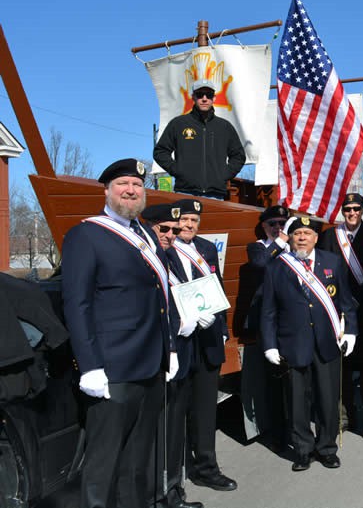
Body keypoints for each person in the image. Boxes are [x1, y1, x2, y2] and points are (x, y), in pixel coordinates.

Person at [62, 158, 177, 508]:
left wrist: (168, 347)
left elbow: (161, 296)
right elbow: (77, 305)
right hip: (112, 369)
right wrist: (90, 364)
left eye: (137, 186)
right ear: (107, 191)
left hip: (151, 365)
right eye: (123, 184)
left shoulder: (145, 234)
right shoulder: (86, 234)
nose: (131, 190)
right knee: (104, 464)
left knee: (137, 463)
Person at [260, 216, 356, 471]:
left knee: (327, 399)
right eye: (297, 233)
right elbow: (268, 310)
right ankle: (303, 450)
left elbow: (347, 301)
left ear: (315, 238)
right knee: (297, 402)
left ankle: (327, 448)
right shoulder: (277, 266)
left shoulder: (333, 262)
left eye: (307, 233)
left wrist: (351, 332)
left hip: (327, 342)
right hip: (293, 343)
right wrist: (270, 344)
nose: (302, 237)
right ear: (290, 238)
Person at [170, 199, 236, 493]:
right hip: (180, 340)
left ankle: (207, 467)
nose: (189, 226)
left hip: (207, 340)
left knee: (206, 409)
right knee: (176, 408)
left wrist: (222, 329)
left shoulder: (207, 249)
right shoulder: (164, 248)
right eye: (185, 220)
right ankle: (175, 470)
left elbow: (217, 287)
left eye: (194, 221)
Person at [141, 202, 202, 508]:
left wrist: (201, 313)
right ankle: (155, 496)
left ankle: (174, 492)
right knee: (157, 432)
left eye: (176, 230)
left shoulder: (172, 258)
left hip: (182, 351)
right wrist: (178, 326)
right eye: (164, 229)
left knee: (175, 426)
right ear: (148, 226)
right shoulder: (142, 258)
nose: (171, 235)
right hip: (158, 354)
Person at [316, 193, 363, 437]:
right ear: (342, 211)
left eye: (356, 208)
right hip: (339, 312)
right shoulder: (328, 237)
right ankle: (342, 418)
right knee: (341, 369)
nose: (352, 213)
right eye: (348, 209)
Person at [242, 205, 291, 449]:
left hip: (292, 320)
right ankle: (278, 433)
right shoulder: (258, 247)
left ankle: (296, 428)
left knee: (295, 380)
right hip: (268, 321)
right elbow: (260, 264)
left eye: (282, 223)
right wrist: (281, 242)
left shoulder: (294, 249)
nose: (278, 228)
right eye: (273, 224)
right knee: (273, 380)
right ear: (264, 226)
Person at [153, 79, 246, 200]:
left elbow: (238, 156)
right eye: (200, 94)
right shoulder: (178, 124)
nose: (204, 98)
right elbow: (160, 152)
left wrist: (223, 175)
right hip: (184, 192)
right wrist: (179, 171)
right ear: (193, 97)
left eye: (209, 95)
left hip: (216, 194)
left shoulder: (224, 127)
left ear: (214, 98)